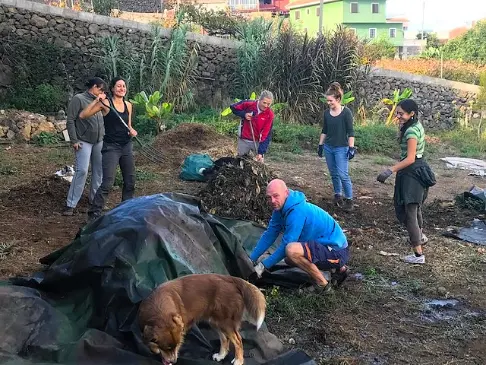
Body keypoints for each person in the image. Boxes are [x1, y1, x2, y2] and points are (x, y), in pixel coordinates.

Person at [250, 179, 349, 292]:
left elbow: (286, 244)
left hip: (337, 250)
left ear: (286, 193)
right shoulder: (280, 209)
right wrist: (251, 259)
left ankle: (323, 284)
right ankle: (337, 270)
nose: (272, 201)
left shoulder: (297, 212)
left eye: (276, 196)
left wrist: (263, 266)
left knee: (291, 250)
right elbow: (269, 234)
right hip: (324, 246)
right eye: (269, 197)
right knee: (289, 259)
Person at [376, 99, 436, 264]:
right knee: (415, 210)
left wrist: (390, 170)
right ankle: (420, 237)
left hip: (412, 174)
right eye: (397, 112)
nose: (398, 116)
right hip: (419, 169)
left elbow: (409, 158)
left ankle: (418, 255)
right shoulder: (417, 125)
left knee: (409, 213)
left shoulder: (410, 132)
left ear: (412, 114)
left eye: (401, 113)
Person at [79, 76, 138, 222]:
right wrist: (96, 100)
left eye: (124, 86)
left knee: (130, 181)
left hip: (126, 145)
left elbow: (128, 125)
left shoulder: (128, 105)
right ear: (112, 89)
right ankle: (94, 214)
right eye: (118, 86)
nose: (122, 88)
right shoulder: (106, 104)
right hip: (111, 147)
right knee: (107, 182)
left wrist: (132, 130)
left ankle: (126, 209)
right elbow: (83, 115)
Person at [63, 77, 107, 216]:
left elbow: (105, 115)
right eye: (100, 89)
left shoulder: (101, 100)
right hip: (84, 140)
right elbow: (70, 120)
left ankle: (95, 200)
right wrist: (74, 140)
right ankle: (71, 204)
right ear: (93, 87)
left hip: (99, 140)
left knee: (98, 171)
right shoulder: (79, 99)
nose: (102, 92)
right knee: (81, 170)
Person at [317, 82, 356, 212]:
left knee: (343, 174)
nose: (329, 103)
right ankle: (337, 195)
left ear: (338, 99)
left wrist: (351, 147)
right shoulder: (327, 113)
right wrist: (320, 144)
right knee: (333, 173)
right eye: (328, 101)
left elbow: (350, 131)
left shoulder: (346, 113)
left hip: (341, 148)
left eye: (331, 101)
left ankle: (349, 199)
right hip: (329, 147)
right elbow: (325, 130)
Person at [230, 90, 275, 162]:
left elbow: (266, 135)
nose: (266, 106)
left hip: (257, 142)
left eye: (268, 104)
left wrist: (261, 152)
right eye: (264, 103)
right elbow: (233, 107)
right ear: (259, 100)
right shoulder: (249, 104)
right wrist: (244, 114)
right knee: (240, 162)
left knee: (259, 165)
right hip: (244, 140)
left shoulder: (270, 115)